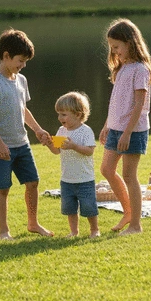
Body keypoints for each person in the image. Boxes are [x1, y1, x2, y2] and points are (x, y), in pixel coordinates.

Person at [0, 28, 54, 240]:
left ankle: (33, 223)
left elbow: (23, 109)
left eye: (25, 62)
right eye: (20, 61)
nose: (22, 66)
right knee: (3, 189)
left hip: (22, 144)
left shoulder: (21, 81)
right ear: (6, 56)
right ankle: (4, 231)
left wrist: (38, 129)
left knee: (33, 182)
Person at [99, 18, 151, 236]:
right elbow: (116, 101)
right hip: (116, 128)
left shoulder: (140, 70)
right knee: (106, 169)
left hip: (132, 131)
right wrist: (107, 125)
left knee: (129, 176)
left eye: (117, 47)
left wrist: (126, 133)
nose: (114, 52)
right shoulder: (122, 67)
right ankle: (128, 212)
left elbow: (140, 105)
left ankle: (135, 225)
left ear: (130, 43)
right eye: (111, 47)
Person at [46, 91, 100, 238]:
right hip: (67, 179)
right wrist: (49, 144)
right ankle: (74, 231)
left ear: (77, 114)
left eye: (64, 114)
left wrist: (74, 146)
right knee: (69, 208)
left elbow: (89, 151)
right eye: (59, 114)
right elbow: (57, 151)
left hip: (84, 179)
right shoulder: (61, 130)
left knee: (89, 207)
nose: (60, 118)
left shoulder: (86, 131)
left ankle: (94, 230)